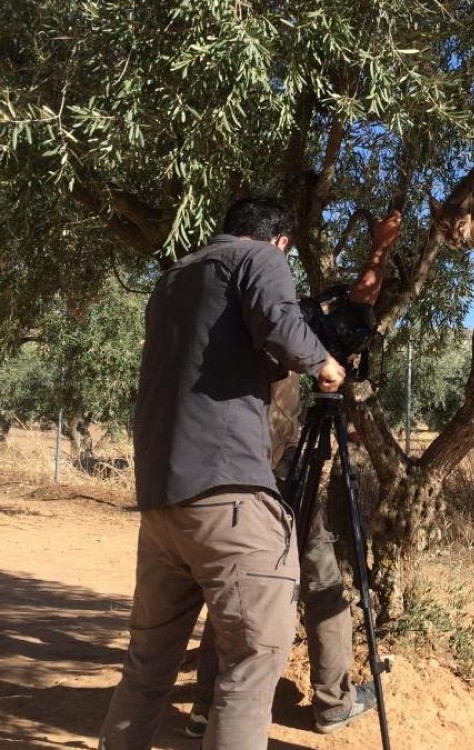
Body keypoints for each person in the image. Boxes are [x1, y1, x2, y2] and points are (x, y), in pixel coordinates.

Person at [98, 197, 346, 750]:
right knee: (252, 666)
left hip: (162, 504)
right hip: (228, 496)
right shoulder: (260, 257)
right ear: (280, 241)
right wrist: (325, 364)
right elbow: (281, 326)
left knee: (147, 666)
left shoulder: (174, 279)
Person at [183, 209, 403, 739]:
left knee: (235, 588)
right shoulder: (280, 321)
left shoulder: (221, 320)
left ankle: (205, 706)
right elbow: (356, 311)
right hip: (279, 477)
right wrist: (381, 247)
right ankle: (334, 701)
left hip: (232, 478)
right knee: (322, 581)